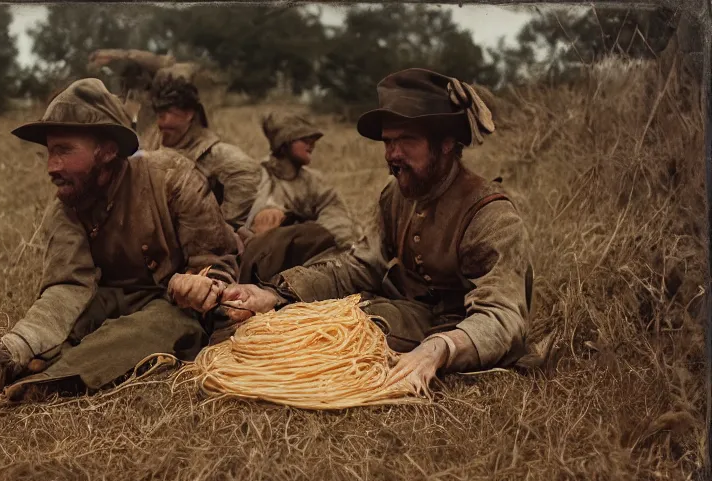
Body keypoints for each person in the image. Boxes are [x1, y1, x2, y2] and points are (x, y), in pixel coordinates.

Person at [221, 68, 535, 392]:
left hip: (451, 327)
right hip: (397, 309)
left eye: (407, 141)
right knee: (300, 320)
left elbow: (503, 317)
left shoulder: (492, 216)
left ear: (446, 143)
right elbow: (361, 267)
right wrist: (277, 294)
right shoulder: (397, 195)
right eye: (388, 141)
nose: (393, 155)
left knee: (343, 334)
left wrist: (438, 349)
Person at [0, 78, 240, 401]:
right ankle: (16, 364)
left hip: (178, 307)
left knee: (168, 323)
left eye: (64, 151)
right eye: (50, 152)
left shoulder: (172, 177)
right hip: (112, 301)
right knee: (81, 318)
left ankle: (52, 381)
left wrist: (199, 288)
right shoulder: (66, 207)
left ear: (107, 150)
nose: (53, 167)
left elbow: (217, 264)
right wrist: (17, 345)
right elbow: (67, 289)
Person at [239, 112, 360, 285]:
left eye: (313, 140)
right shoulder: (255, 176)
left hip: (305, 262)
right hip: (260, 262)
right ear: (284, 142)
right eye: (304, 139)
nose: (312, 145)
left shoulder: (314, 181)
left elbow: (335, 216)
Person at [146, 76, 260, 238]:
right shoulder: (153, 144)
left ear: (188, 114)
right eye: (158, 114)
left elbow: (246, 174)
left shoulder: (216, 155)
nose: (160, 122)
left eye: (166, 113)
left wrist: (224, 226)